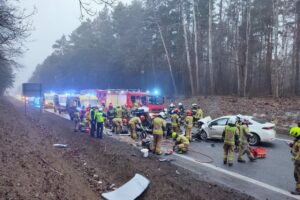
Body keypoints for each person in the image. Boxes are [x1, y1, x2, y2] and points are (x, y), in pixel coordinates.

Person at [290, 123, 300, 195]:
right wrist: (292, 145)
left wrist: (296, 158)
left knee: (298, 174)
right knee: (296, 174)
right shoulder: (297, 139)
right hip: (297, 160)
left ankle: (299, 190)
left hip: (298, 160)